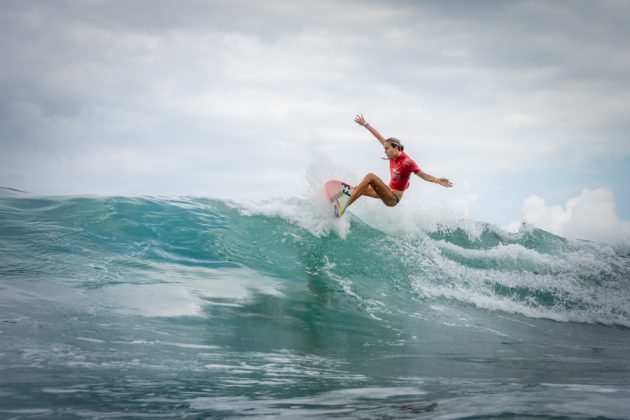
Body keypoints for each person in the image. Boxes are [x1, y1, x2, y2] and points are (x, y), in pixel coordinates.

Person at [346, 114, 453, 209]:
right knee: (358, 189)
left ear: (396, 147)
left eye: (387, 149)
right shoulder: (392, 153)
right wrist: (365, 124)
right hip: (387, 191)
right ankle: (339, 198)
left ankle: (344, 206)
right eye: (385, 148)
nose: (385, 151)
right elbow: (378, 137)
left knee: (370, 177)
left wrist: (437, 180)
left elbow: (423, 175)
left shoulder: (407, 162)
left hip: (393, 199)